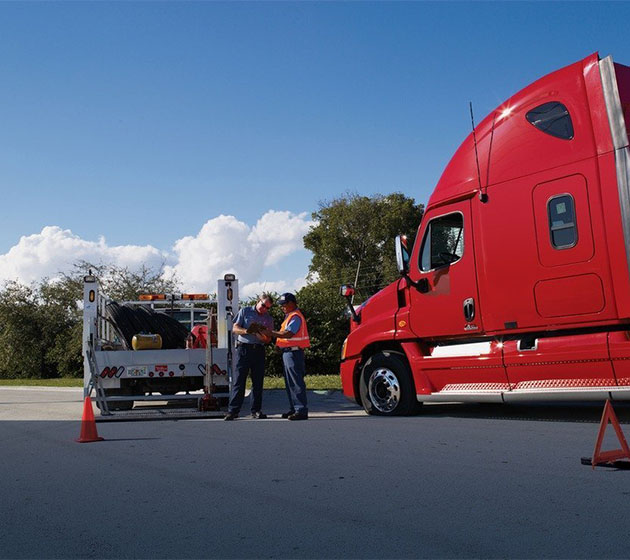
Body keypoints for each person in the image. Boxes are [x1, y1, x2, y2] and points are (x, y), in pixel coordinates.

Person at [224, 294, 274, 420]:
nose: (264, 309)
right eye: (263, 305)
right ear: (258, 301)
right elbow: (235, 329)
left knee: (258, 382)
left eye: (267, 308)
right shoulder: (245, 311)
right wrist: (247, 331)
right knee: (239, 381)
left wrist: (261, 336)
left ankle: (256, 410)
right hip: (243, 349)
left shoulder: (268, 318)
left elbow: (268, 339)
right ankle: (233, 411)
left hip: (258, 350)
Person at [265, 292, 310, 421]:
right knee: (290, 383)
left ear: (291, 303)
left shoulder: (295, 316)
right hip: (288, 353)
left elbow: (288, 333)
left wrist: (270, 333)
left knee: (295, 382)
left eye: (283, 304)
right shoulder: (289, 316)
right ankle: (294, 409)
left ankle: (300, 410)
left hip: (293, 353)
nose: (282, 307)